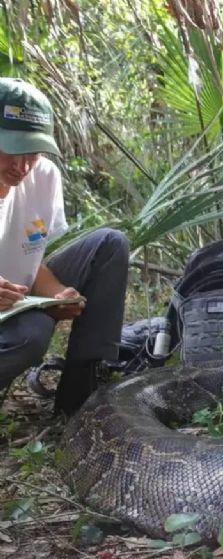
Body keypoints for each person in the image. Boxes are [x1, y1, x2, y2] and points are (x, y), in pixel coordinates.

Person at [0, 78, 130, 415]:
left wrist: (57, 294)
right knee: (32, 334)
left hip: (16, 301)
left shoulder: (43, 177)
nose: (22, 165)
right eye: (12, 149)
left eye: (33, 151)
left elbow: (30, 259)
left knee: (110, 244)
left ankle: (81, 395)